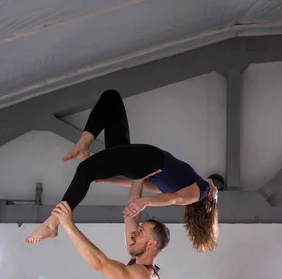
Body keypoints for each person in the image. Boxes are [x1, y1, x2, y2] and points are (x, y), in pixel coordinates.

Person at [26, 89, 218, 251]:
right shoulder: (175, 187)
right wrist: (111, 180)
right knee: (112, 99)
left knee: (86, 169)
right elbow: (140, 180)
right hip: (138, 164)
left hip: (145, 158)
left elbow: (175, 199)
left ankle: (52, 223)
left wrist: (145, 201)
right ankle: (85, 142)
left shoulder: (199, 192)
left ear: (207, 203)